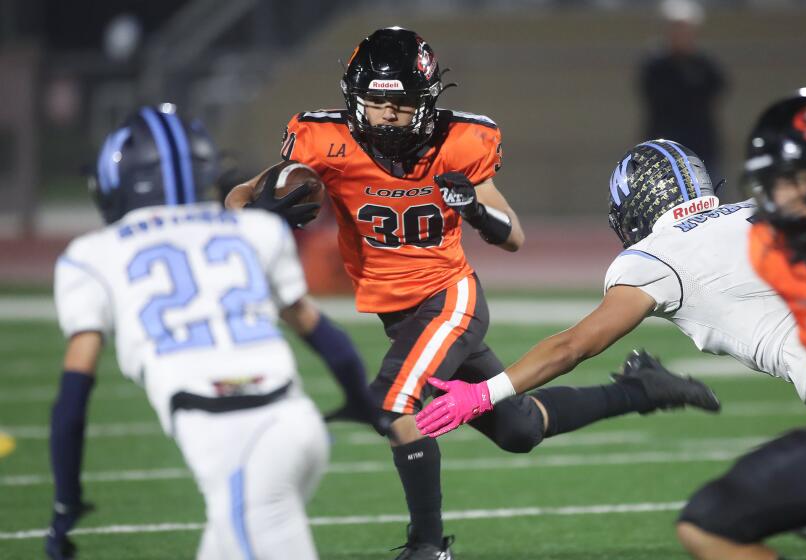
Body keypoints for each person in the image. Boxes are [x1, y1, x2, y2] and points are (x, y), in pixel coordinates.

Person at [226, 27, 718, 560]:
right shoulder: (321, 139)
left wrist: (476, 211)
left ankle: (428, 547)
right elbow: (240, 196)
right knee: (519, 427)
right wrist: (255, 217)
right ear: (354, 97)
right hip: (399, 313)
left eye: (401, 102)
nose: (388, 114)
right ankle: (642, 390)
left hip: (449, 299)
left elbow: (513, 236)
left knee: (394, 407)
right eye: (376, 101)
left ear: (427, 98)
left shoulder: (460, 140)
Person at [45, 105, 367, 559]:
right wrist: (363, 400)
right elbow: (320, 331)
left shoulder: (92, 255)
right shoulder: (254, 230)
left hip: (238, 443)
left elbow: (72, 402)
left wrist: (65, 502)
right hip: (298, 423)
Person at [416, 137, 806, 437]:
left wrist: (484, 394)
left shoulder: (659, 255)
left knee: (724, 519)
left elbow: (573, 346)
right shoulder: (758, 209)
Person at [676, 94, 806, 560]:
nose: (780, 197)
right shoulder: (773, 247)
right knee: (706, 523)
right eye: (773, 183)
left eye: (793, 180)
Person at [638, 0, 727, 181]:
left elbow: (718, 88)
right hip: (663, 148)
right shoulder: (655, 66)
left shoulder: (703, 64)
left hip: (701, 147)